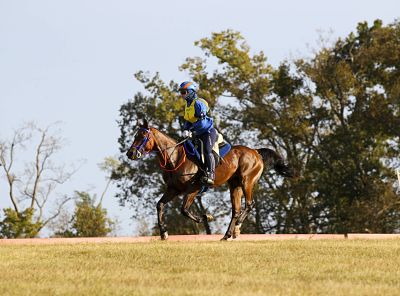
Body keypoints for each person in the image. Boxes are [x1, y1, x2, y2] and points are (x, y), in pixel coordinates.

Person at [179, 81, 217, 185]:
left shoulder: (198, 103)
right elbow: (188, 120)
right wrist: (185, 129)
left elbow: (202, 121)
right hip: (196, 133)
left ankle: (211, 174)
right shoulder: (188, 105)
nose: (182, 94)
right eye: (181, 92)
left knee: (207, 150)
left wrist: (193, 131)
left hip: (207, 131)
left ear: (191, 92)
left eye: (184, 92)